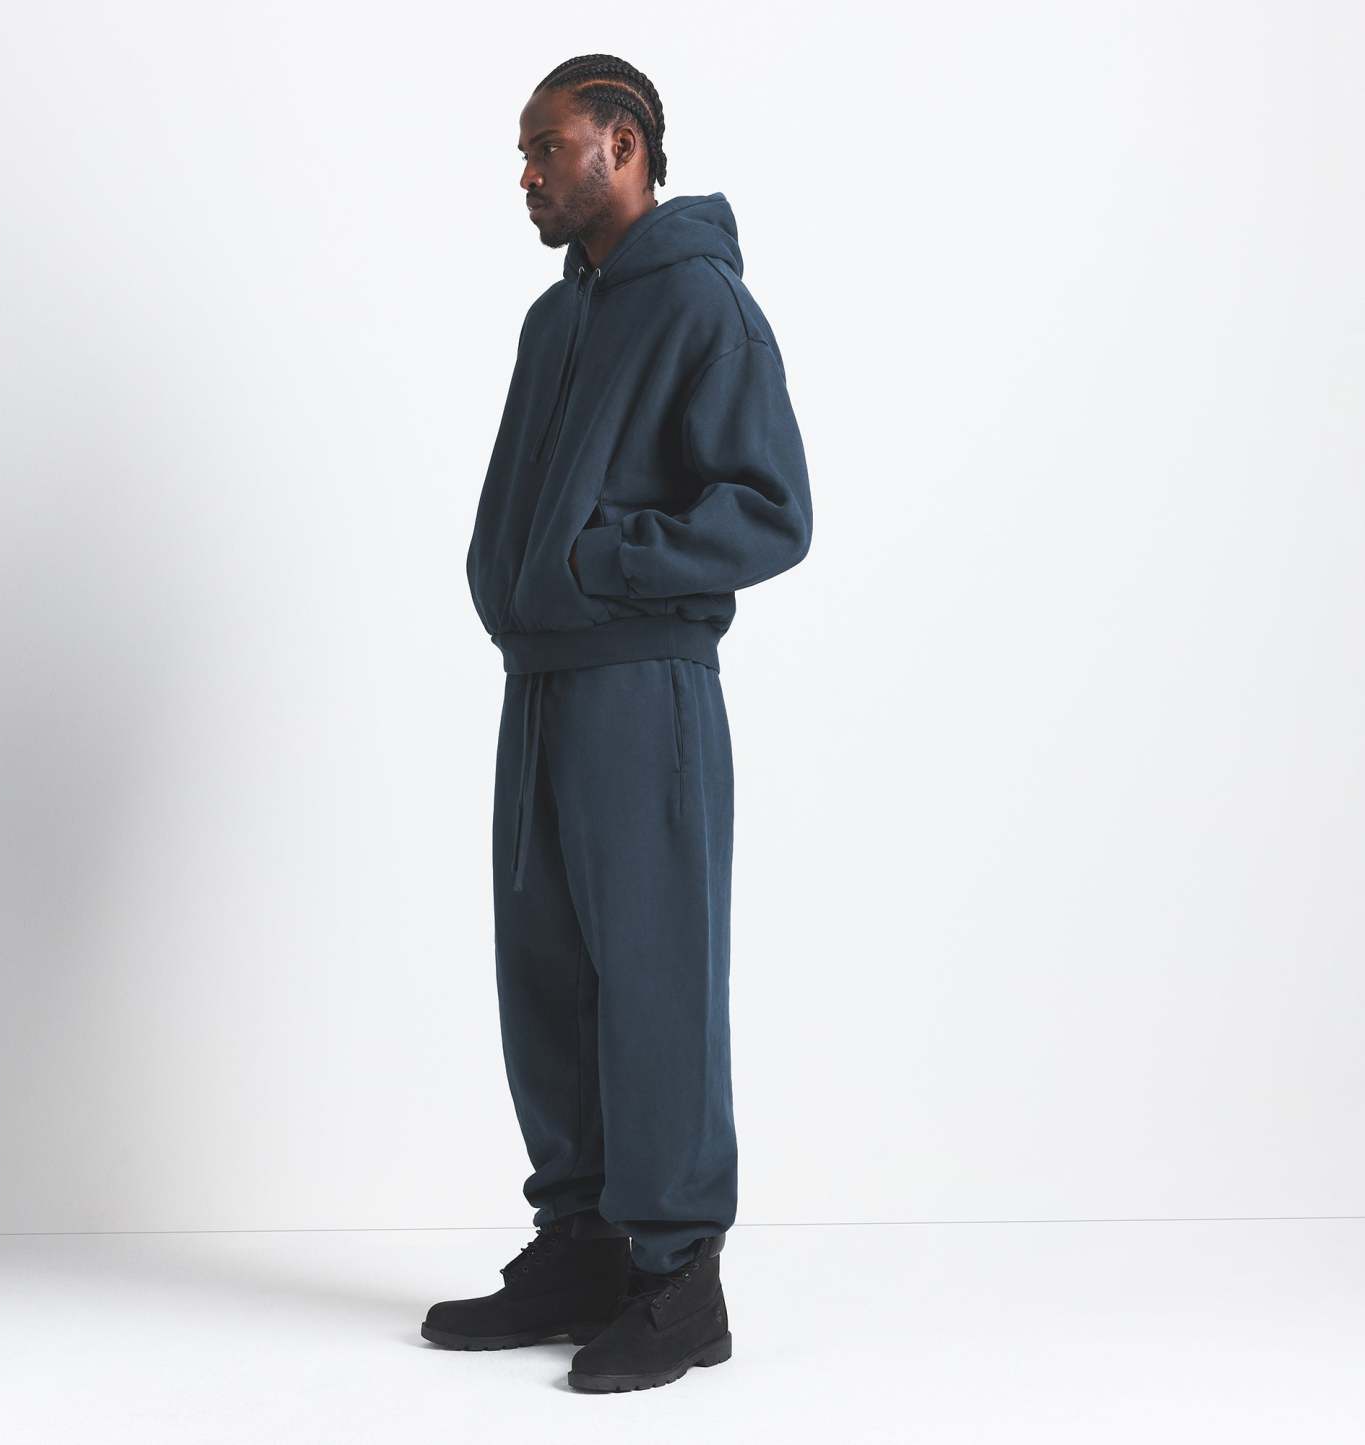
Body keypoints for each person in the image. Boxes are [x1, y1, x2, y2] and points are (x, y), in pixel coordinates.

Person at [422, 53, 812, 1393]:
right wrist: (514, 579)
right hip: (540, 680)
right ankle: (583, 1243)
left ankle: (679, 1278)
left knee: (653, 973)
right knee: (546, 968)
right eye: (524, 153)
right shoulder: (556, 319)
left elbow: (771, 510)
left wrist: (603, 564)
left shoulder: (703, 303)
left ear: (624, 145)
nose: (528, 174)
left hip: (643, 680)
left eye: (548, 147)